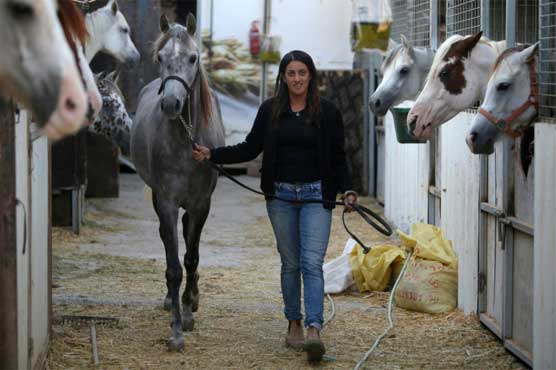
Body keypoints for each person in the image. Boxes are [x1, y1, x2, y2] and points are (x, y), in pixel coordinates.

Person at [192, 50, 357, 363]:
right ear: (283, 77)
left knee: (312, 262)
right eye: (291, 73)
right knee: (291, 262)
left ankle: (313, 329)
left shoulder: (328, 113)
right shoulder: (270, 110)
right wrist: (212, 154)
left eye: (302, 73)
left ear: (311, 76)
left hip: (316, 195)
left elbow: (338, 157)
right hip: (280, 197)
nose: (296, 79)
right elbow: (250, 147)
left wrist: (348, 190)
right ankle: (293, 322)